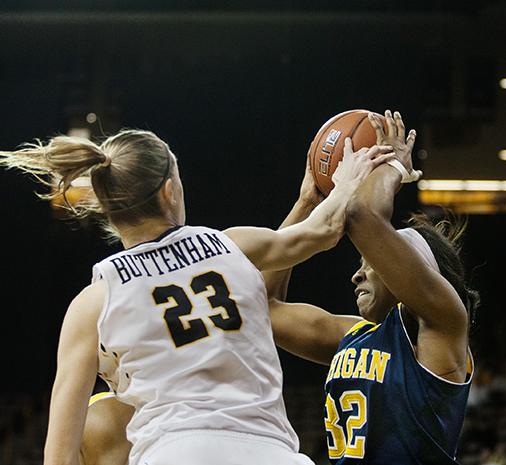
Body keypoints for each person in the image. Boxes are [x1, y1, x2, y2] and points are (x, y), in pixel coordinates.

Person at [0, 128, 394, 465]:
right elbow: (323, 231)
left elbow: (60, 456)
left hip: (174, 451)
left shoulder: (94, 301)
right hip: (270, 452)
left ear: (106, 207)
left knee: (101, 415)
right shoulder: (229, 245)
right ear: (170, 191)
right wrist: (347, 181)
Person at [266, 110, 480, 464]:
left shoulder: (444, 323)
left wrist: (391, 167)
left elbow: (362, 217)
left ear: (418, 269)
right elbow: (262, 305)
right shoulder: (353, 335)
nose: (357, 275)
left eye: (372, 264)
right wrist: (309, 202)